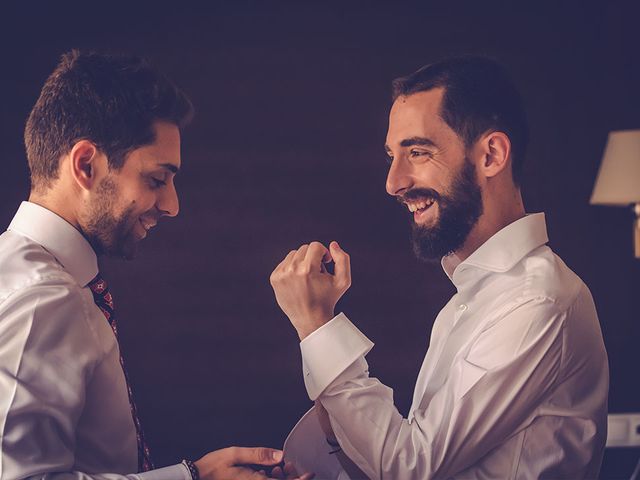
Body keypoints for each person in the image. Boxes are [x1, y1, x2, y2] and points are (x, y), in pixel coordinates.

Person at [270, 56, 609, 479]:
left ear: (491, 155)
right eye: (393, 155)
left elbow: (409, 468)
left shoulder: (537, 304)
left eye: (417, 151)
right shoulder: (472, 300)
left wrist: (317, 326)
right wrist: (333, 424)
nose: (394, 182)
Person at [0, 50, 310, 480]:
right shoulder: (42, 299)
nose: (172, 205)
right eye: (156, 180)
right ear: (86, 165)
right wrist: (191, 478)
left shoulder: (26, 275)